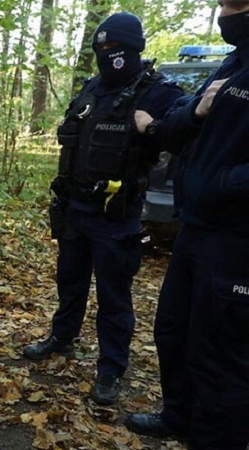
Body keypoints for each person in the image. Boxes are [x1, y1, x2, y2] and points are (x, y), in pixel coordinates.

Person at [21, 12, 184, 406]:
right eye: (101, 49)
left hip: (117, 216)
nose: (107, 56)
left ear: (133, 50)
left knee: (114, 296)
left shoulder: (158, 91)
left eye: (115, 50)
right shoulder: (91, 89)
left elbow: (184, 133)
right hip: (76, 207)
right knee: (70, 281)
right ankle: (62, 337)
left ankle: (111, 367)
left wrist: (152, 129)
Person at [124, 2, 249, 447]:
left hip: (238, 239)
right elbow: (172, 130)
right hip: (195, 227)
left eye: (236, 4)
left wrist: (219, 183)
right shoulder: (233, 64)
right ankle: (178, 415)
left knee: (221, 350)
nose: (225, 12)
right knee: (174, 328)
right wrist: (196, 113)